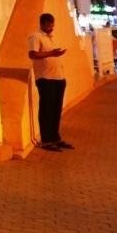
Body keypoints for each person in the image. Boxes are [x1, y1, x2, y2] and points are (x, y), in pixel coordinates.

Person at [29, 12, 72, 152]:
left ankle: (55, 138)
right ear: (42, 24)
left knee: (56, 110)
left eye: (52, 26)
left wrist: (57, 54)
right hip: (45, 78)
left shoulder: (52, 37)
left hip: (59, 78)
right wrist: (51, 53)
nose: (51, 28)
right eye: (48, 26)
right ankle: (46, 140)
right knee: (46, 110)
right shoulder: (36, 36)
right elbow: (33, 54)